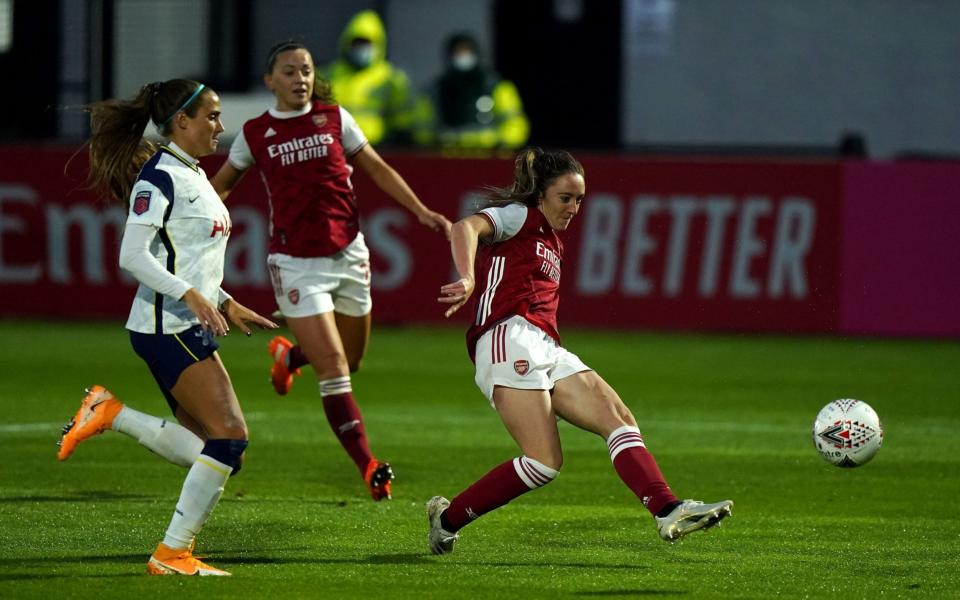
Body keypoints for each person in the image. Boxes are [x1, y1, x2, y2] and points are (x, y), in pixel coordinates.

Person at [426, 147, 733, 554]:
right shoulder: (522, 215)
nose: (573, 208)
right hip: (507, 336)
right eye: (565, 198)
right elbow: (465, 227)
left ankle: (667, 509)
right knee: (542, 462)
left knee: (619, 418)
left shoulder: (553, 241)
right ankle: (447, 521)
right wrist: (467, 278)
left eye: (579, 200)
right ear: (541, 196)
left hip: (546, 345)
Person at [211, 41, 452, 502]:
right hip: (296, 265)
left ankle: (291, 357)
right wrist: (191, 216)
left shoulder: (335, 118)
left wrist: (420, 211)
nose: (299, 77)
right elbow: (220, 186)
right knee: (337, 367)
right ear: (270, 81)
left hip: (348, 254)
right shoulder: (256, 133)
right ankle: (368, 465)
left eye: (305, 69)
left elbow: (377, 168)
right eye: (288, 71)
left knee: (353, 359)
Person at [57, 79, 278, 576]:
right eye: (212, 116)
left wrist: (224, 299)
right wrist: (193, 296)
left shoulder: (192, 174)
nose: (221, 126)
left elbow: (187, 258)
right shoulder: (159, 178)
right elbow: (132, 255)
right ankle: (172, 552)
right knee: (230, 437)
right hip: (165, 325)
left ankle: (111, 412)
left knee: (217, 452)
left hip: (182, 321)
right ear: (182, 120)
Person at [413, 32, 529, 153]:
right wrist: (431, 141)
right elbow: (422, 128)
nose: (463, 56)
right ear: (449, 56)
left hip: (489, 154)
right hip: (448, 154)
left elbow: (515, 122)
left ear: (476, 53)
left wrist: (502, 142)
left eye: (467, 51)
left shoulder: (496, 87)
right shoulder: (435, 90)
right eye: (458, 52)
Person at [319, 10, 415, 146]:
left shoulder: (389, 77)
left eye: (366, 44)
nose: (361, 49)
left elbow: (403, 117)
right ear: (347, 44)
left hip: (377, 147)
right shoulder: (329, 74)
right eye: (357, 44)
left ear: (378, 45)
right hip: (334, 147)